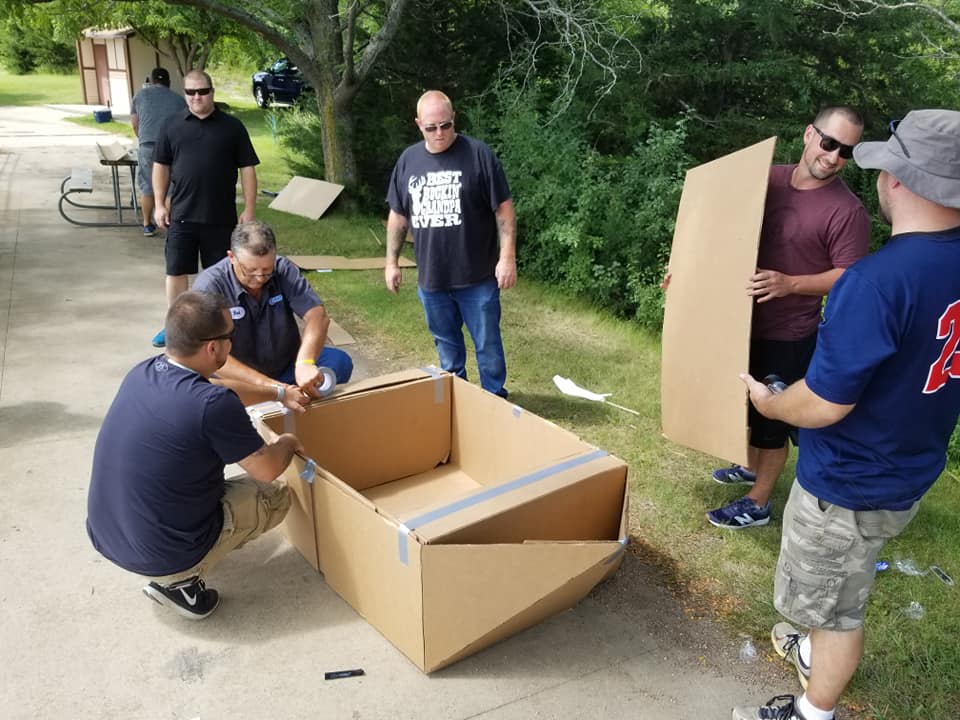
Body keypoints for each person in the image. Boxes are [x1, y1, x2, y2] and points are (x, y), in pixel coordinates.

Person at [732, 109, 960, 720]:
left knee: (837, 610)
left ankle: (812, 710)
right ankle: (812, 648)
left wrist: (771, 403)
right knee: (842, 585)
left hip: (851, 482)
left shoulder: (878, 280)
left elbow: (826, 403)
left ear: (900, 181)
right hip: (911, 466)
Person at [86, 291, 305, 620]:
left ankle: (177, 563)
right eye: (231, 336)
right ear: (213, 347)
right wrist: (288, 441)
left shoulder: (143, 372)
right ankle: (179, 582)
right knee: (276, 495)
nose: (233, 343)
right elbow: (267, 468)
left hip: (107, 533)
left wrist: (278, 392)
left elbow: (219, 386)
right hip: (160, 553)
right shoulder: (211, 406)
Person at [705, 106, 871, 529]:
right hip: (738, 320)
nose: (833, 156)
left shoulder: (846, 211)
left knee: (771, 415)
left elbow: (848, 277)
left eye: (846, 151)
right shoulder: (767, 179)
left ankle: (758, 501)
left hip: (788, 333)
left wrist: (790, 284)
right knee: (744, 404)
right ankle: (749, 467)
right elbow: (720, 231)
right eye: (829, 142)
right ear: (808, 135)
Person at [385, 90, 517, 398]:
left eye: (445, 125)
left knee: (488, 345)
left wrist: (507, 257)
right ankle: (456, 400)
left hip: (477, 277)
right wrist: (391, 263)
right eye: (431, 128)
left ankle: (494, 398)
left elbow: (504, 210)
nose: (440, 133)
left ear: (454, 118)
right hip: (432, 278)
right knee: (446, 346)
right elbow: (398, 216)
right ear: (418, 124)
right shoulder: (408, 160)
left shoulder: (479, 155)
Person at [150, 69, 260, 349]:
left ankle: (218, 328)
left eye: (203, 91)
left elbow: (247, 169)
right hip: (182, 216)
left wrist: (249, 208)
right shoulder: (171, 125)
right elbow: (160, 166)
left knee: (219, 275)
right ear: (184, 94)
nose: (197, 97)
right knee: (176, 272)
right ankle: (175, 329)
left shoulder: (232, 127)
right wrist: (160, 204)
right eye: (191, 92)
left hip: (220, 218)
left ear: (212, 92)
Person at [192, 220, 353, 400]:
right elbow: (207, 354)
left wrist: (305, 362)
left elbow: (318, 316)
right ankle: (286, 397)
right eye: (250, 270)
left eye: (267, 270)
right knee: (212, 397)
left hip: (287, 367)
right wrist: (272, 388)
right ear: (231, 257)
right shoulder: (209, 286)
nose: (260, 277)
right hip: (242, 380)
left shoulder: (283, 268)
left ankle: (293, 396)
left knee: (340, 362)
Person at [129, 66, 185, 237]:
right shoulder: (179, 100)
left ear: (151, 81)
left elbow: (134, 123)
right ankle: (168, 224)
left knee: (147, 187)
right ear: (168, 82)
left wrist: (141, 137)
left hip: (147, 146)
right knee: (170, 189)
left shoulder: (140, 95)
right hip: (171, 147)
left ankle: (147, 224)